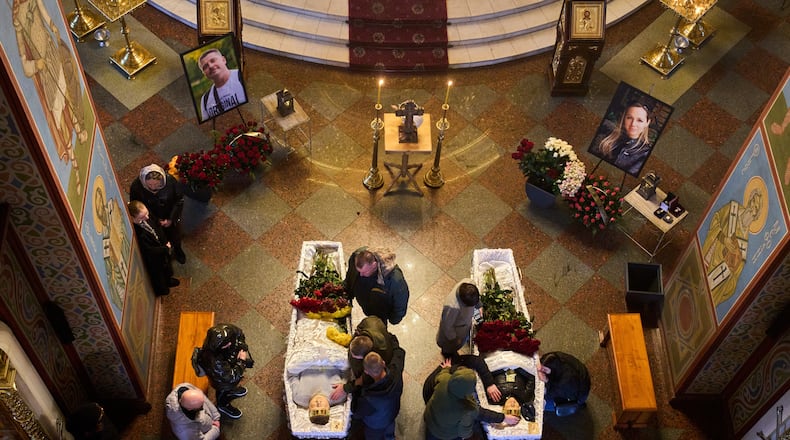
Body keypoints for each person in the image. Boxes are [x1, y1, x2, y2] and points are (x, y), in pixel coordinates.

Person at [423, 361, 519, 440]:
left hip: (429, 418)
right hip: (445, 434)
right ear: (469, 390)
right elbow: (481, 415)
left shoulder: (445, 380)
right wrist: (504, 418)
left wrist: (447, 368)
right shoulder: (468, 408)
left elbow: (442, 374)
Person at [129, 164, 186, 264]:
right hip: (151, 219)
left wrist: (171, 219)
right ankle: (165, 254)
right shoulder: (136, 187)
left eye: (157, 185)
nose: (153, 188)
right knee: (158, 239)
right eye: (150, 185)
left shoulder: (170, 182)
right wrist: (154, 220)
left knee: (175, 235)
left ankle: (178, 250)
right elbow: (136, 206)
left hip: (170, 216)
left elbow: (179, 200)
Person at [196, 323, 254, 419]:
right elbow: (231, 377)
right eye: (226, 344)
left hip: (228, 364)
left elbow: (239, 334)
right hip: (221, 382)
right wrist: (241, 361)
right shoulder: (213, 361)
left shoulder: (227, 330)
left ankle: (232, 390)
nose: (230, 343)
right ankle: (223, 405)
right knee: (223, 392)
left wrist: (241, 345)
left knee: (231, 386)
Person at [349, 348, 405, 439]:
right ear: (383, 362)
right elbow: (400, 352)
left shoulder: (369, 399)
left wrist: (356, 388)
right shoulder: (396, 371)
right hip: (392, 414)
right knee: (390, 432)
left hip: (376, 425)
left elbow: (356, 412)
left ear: (366, 372)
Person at [344, 247, 409, 325]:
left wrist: (394, 320)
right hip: (365, 302)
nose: (361, 275)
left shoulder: (395, 281)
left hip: (379, 315)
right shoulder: (357, 256)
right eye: (359, 271)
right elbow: (350, 276)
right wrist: (347, 291)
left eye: (364, 272)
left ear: (374, 265)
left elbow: (400, 304)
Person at [128, 200, 179, 296]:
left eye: (146, 213)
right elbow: (148, 249)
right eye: (142, 217)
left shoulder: (147, 216)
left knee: (167, 266)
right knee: (159, 275)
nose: (147, 217)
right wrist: (165, 248)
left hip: (162, 246)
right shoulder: (137, 231)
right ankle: (163, 289)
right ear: (133, 218)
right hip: (155, 257)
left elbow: (156, 225)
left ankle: (168, 280)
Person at [591, 102, 654, 176]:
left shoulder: (644, 153)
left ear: (647, 123)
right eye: (629, 118)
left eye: (639, 120)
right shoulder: (607, 135)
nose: (633, 124)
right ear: (624, 118)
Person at [198, 48, 247, 121]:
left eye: (213, 60)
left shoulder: (242, 76)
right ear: (204, 73)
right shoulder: (205, 100)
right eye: (205, 66)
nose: (210, 66)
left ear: (223, 60)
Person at [436, 279, 480, 358]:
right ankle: (449, 355)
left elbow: (476, 300)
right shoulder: (452, 306)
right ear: (463, 302)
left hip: (464, 324)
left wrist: (479, 305)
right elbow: (447, 326)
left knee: (460, 341)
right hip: (455, 331)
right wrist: (455, 339)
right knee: (449, 348)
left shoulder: (469, 283)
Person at [540, 351, 591, 417]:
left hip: (580, 392)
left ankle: (578, 404)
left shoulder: (564, 384)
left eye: (544, 370)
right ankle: (580, 404)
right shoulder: (552, 359)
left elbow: (548, 394)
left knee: (543, 403)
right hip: (581, 374)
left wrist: (546, 382)